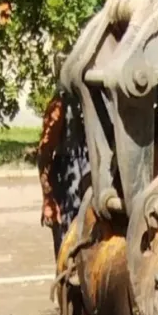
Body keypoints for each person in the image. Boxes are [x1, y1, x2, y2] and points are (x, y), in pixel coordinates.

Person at [37, 81, 90, 260]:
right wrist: (48, 199)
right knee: (67, 251)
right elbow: (44, 152)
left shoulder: (104, 99)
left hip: (92, 181)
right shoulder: (60, 103)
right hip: (67, 188)